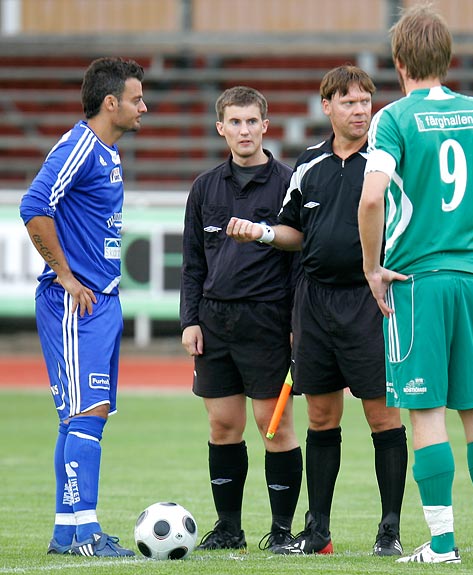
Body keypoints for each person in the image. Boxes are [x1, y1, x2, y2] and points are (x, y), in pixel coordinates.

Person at [357, 5, 473, 565]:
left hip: (417, 282)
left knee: (426, 411)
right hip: (469, 279)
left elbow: (371, 198)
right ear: (447, 57)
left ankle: (441, 544)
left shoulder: (392, 118)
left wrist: (371, 267)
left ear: (398, 61)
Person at [226, 65, 408, 557]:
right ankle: (318, 530)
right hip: (315, 303)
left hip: (373, 303)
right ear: (326, 107)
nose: (360, 109)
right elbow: (293, 232)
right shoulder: (307, 165)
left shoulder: (390, 158)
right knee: (321, 418)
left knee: (383, 418)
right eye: (348, 101)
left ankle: (389, 529)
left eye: (366, 100)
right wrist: (261, 232)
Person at [18, 57, 147, 557]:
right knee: (86, 412)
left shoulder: (108, 153)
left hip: (100, 301)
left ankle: (68, 531)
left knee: (80, 417)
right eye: (136, 98)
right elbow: (34, 206)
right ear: (110, 102)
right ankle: (87, 532)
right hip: (77, 303)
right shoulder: (79, 146)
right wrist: (67, 276)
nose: (144, 106)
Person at [179, 86, 302, 554]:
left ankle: (282, 530)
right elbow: (192, 264)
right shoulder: (204, 187)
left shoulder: (289, 183)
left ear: (265, 126)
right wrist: (190, 320)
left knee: (274, 426)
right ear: (221, 128)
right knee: (223, 427)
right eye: (235, 122)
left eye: (252, 121)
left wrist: (295, 323)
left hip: (268, 321)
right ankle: (229, 527)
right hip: (214, 323)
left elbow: (299, 262)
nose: (244, 130)